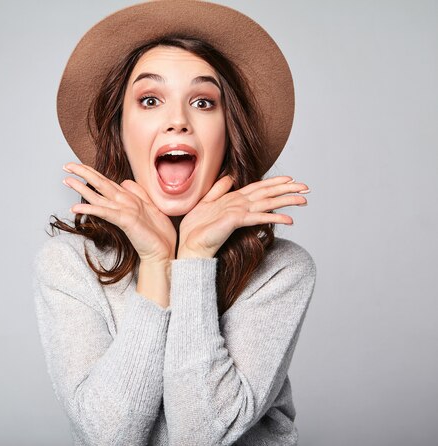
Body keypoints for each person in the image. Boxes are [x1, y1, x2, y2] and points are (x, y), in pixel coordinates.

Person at [33, 1, 316, 444]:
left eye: (203, 102)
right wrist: (155, 261)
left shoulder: (281, 270)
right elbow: (110, 436)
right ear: (120, 129)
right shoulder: (69, 264)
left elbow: (203, 435)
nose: (178, 122)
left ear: (228, 132)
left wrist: (195, 259)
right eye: (150, 100)